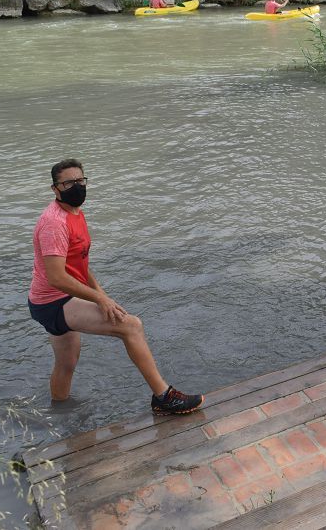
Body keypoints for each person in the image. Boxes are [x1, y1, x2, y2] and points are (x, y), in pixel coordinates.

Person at [28, 158, 204, 415]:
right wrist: (99, 300)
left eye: (80, 180)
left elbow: (79, 263)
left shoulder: (75, 213)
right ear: (55, 189)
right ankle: (163, 397)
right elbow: (57, 277)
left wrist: (101, 294)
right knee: (131, 326)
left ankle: (58, 415)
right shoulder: (55, 223)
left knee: (67, 363)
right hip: (54, 300)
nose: (76, 186)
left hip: (53, 299)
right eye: (68, 183)